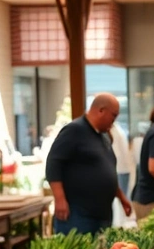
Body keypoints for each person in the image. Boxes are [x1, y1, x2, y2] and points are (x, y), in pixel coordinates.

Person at [45, 93, 132, 235]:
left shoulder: (103, 136)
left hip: (102, 216)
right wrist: (59, 198)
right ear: (101, 110)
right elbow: (53, 163)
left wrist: (121, 197)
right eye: (113, 116)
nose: (114, 121)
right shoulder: (74, 130)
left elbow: (107, 170)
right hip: (78, 216)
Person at [109, 122, 133, 196]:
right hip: (119, 169)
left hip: (121, 168)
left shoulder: (116, 129)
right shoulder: (115, 129)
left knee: (121, 198)